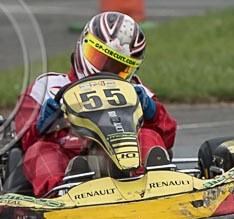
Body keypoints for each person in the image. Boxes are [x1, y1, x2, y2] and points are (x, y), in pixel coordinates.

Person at [14, 11, 177, 197]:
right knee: (40, 151)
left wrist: (152, 112)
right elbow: (22, 144)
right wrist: (40, 127)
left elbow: (168, 135)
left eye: (118, 68)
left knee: (149, 135)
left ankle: (152, 183)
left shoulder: (136, 91)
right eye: (100, 59)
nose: (105, 71)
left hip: (122, 159)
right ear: (83, 45)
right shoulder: (46, 88)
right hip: (68, 155)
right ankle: (65, 190)